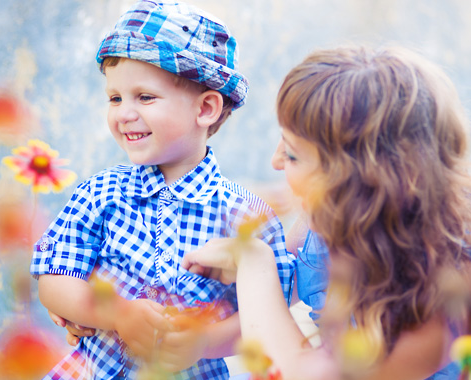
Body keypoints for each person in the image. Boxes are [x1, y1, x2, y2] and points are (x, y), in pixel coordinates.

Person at [30, 1, 295, 379]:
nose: (123, 112)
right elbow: (55, 280)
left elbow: (265, 315)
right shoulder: (100, 193)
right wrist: (116, 314)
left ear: (205, 109)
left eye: (145, 97)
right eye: (115, 97)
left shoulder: (246, 215)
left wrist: (203, 342)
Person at [182, 44, 471, 380]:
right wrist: (193, 342)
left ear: (357, 180)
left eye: (291, 155)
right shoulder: (319, 228)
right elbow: (270, 309)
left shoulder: (452, 286)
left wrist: (253, 261)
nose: (275, 162)